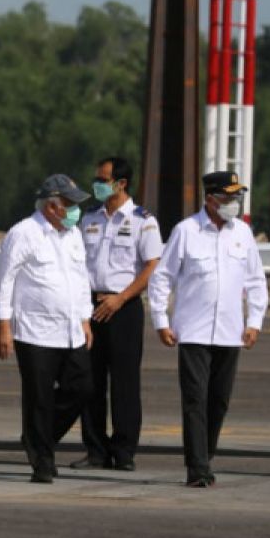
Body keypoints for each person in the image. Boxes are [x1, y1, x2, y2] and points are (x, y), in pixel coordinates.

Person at [147, 171, 267, 488]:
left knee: (219, 401)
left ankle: (205, 453)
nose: (233, 204)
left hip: (230, 332)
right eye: (228, 198)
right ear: (210, 199)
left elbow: (256, 282)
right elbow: (162, 277)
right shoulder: (186, 231)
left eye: (236, 198)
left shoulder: (243, 233)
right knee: (195, 400)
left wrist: (254, 321)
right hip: (193, 331)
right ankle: (197, 467)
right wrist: (161, 320)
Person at [0, 174, 94, 484]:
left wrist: (85, 319)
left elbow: (80, 279)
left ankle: (39, 437)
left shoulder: (73, 235)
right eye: (70, 204)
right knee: (38, 397)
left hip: (71, 329)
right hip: (34, 330)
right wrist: (3, 326)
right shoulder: (24, 233)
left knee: (82, 388)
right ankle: (42, 462)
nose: (76, 210)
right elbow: (5, 279)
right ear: (52, 206)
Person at [71, 157, 163, 472]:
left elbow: (152, 265)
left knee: (124, 382)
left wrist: (121, 298)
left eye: (102, 179)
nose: (96, 184)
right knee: (90, 382)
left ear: (120, 183)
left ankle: (124, 451)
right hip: (91, 307)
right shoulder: (89, 218)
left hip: (124, 308)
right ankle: (95, 450)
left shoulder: (143, 220)